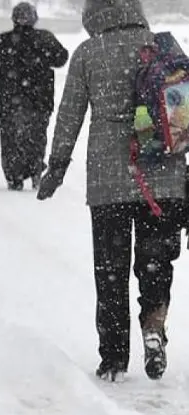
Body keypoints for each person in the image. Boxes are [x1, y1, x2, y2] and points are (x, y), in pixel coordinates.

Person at [36, 0, 185, 382]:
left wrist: (57, 166)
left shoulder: (88, 53)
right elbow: (182, 110)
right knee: (155, 264)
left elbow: (70, 114)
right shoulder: (163, 45)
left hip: (109, 182)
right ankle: (154, 326)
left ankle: (114, 358)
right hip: (164, 178)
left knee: (111, 271)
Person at [0, 2, 68, 191]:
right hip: (40, 100)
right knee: (36, 138)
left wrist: (3, 80)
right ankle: (35, 168)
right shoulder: (44, 38)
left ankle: (14, 176)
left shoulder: (3, 41)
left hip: (9, 100)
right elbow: (61, 58)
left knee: (11, 140)